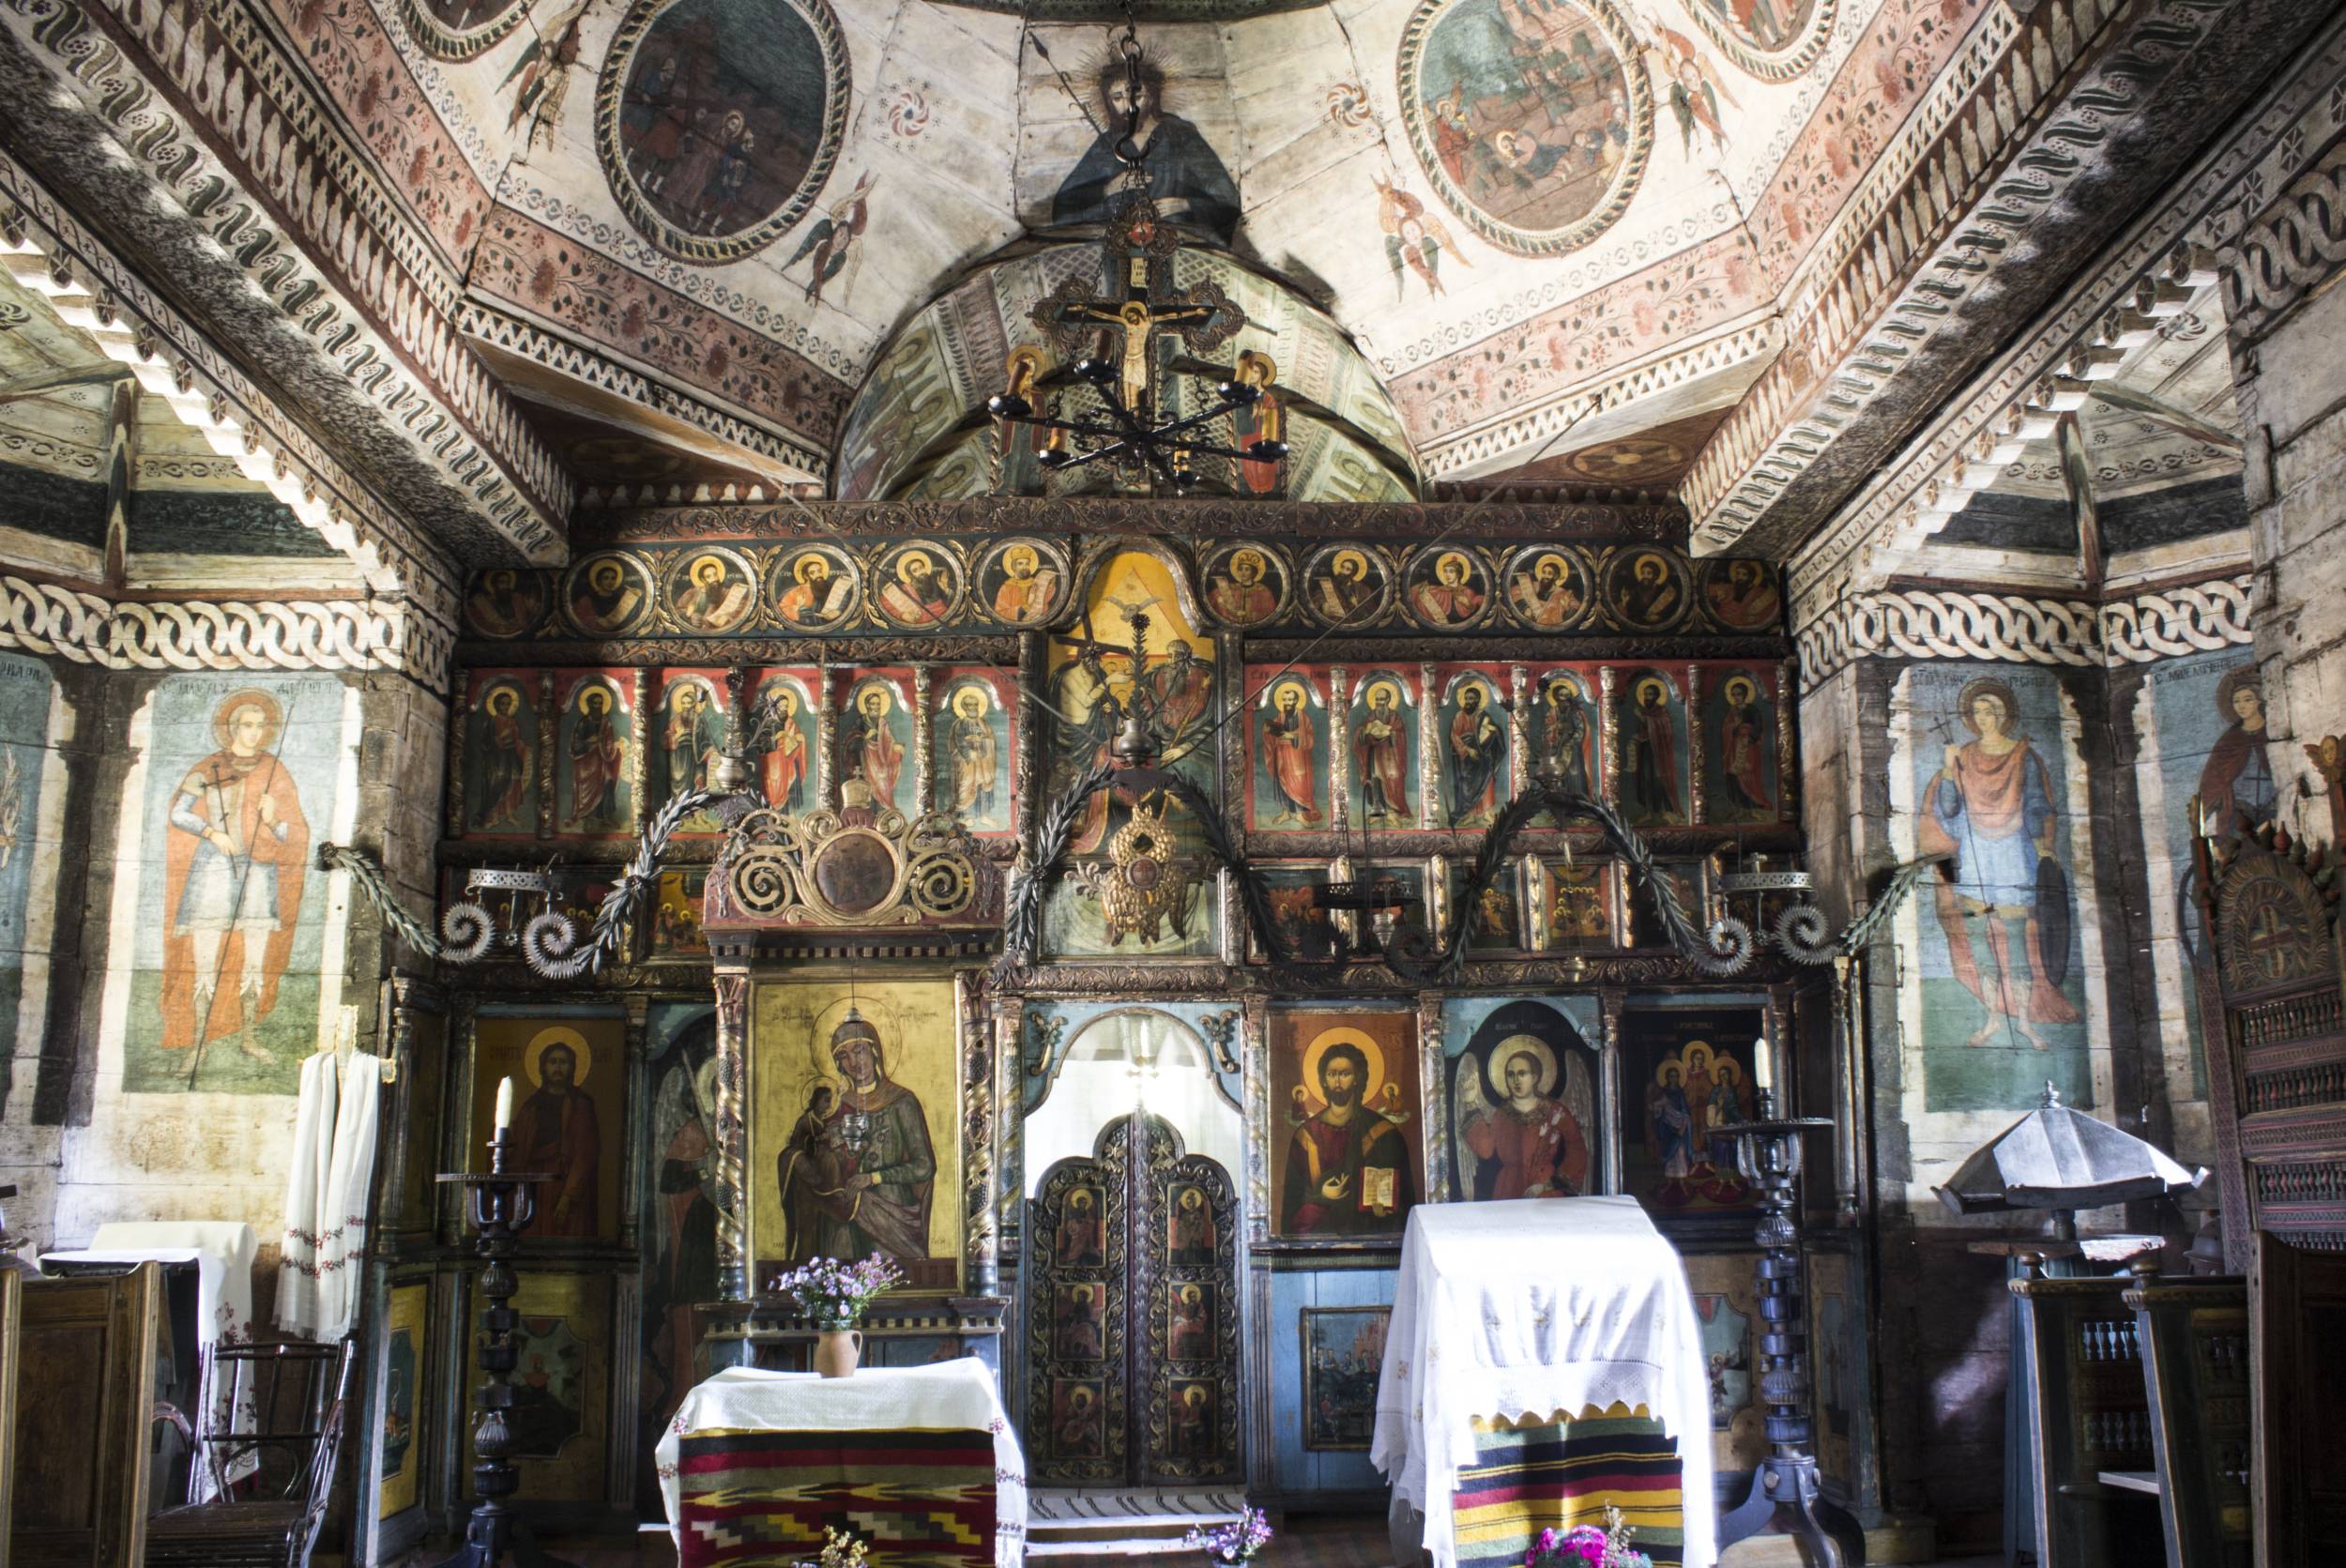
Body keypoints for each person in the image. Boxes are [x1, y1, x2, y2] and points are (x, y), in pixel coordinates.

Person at [1921, 679, 2079, 1049]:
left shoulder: (2023, 755)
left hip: (2013, 853)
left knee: (2019, 942)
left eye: (1989, 711)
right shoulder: (1964, 756)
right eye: (1977, 712)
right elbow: (1949, 810)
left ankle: (2023, 1022)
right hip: (1977, 852)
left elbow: (2037, 803)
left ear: (2003, 715)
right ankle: (1993, 1018)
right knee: (1983, 941)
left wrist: (2042, 845)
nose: (1982, 718)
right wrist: (1948, 771)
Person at [162, 692, 311, 1065]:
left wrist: (273, 819)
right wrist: (212, 833)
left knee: (254, 959)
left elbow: (294, 833)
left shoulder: (274, 771)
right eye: (247, 725)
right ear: (232, 728)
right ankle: (198, 1044)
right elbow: (178, 813)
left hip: (258, 868)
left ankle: (249, 1037)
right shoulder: (208, 768)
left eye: (261, 726)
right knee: (205, 959)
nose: (254, 733)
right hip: (214, 867)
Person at [775, 1011, 936, 1264]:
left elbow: (924, 1166)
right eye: (843, 1056)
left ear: (874, 1051)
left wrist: (873, 1177)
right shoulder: (836, 1106)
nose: (853, 1062)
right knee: (837, 1270)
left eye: (859, 1050)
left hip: (888, 1217)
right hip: (841, 1213)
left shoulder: (902, 1101)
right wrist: (809, 1156)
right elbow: (820, 1160)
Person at [1050, 53, 1241, 244]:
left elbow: (1228, 200)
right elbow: (1063, 209)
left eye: (1137, 96)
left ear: (1152, 97)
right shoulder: (1107, 144)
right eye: (1117, 98)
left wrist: (1185, 204)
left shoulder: (1181, 137)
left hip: (1178, 243)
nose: (1129, 106)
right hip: (1120, 247)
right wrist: (1107, 190)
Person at [1282, 1042, 1415, 1234]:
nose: (1337, 1082)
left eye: (1345, 1074)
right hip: (1319, 1241)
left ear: (1356, 1079)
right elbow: (1291, 1214)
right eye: (1331, 1074)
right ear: (1324, 1080)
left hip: (1368, 1240)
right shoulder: (1305, 1137)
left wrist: (1385, 1213)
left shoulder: (1383, 1133)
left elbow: (1403, 1206)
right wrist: (1321, 1196)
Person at [516, 1036, 602, 1238]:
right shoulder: (531, 1105)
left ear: (571, 1068)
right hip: (535, 1183)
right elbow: (518, 1147)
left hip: (565, 1179)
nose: (557, 1067)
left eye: (563, 1062)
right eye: (552, 1062)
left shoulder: (580, 1104)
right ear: (543, 1067)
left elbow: (585, 1154)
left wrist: (568, 1194)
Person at [1486, 1042, 1589, 1197]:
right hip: (1508, 1186)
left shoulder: (1555, 1111)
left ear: (1535, 1077)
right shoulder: (1501, 1114)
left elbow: (1577, 1148)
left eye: (1522, 1073)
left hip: (1544, 1186)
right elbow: (1486, 1150)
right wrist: (1470, 1105)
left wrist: (1548, 1184)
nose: (1516, 1080)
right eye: (1511, 1075)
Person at [2199, 669, 2277, 832]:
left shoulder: (2273, 730)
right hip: (2239, 811)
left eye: (2248, 699)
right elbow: (2212, 780)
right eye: (2236, 701)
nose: (2241, 706)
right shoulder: (2229, 739)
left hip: (2274, 807)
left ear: (2259, 701)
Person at [566, 684, 627, 831]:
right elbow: (575, 745)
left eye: (600, 703)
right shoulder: (583, 723)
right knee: (587, 791)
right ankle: (588, 818)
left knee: (608, 783)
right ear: (589, 705)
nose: (598, 706)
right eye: (595, 703)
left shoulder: (606, 723)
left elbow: (609, 741)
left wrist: (614, 746)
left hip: (602, 760)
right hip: (586, 764)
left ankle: (606, 817)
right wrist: (589, 742)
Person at [473, 686, 533, 830]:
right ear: (496, 705)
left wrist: (523, 747)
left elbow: (517, 740)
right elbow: (487, 743)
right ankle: (493, 817)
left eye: (508, 704)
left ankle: (510, 815)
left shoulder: (512, 722)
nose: (505, 707)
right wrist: (500, 737)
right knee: (497, 784)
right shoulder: (492, 722)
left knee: (513, 782)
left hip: (511, 757)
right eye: (503, 704)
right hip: (496, 760)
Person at [1447, 682, 1506, 829]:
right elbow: (1454, 736)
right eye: (1466, 698)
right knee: (1467, 785)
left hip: (1482, 755)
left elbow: (1494, 733)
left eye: (1471, 698)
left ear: (1478, 700)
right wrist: (1468, 750)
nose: (1468, 701)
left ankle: (1487, 812)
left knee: (1487, 779)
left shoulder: (1483, 715)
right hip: (1465, 757)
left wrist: (1492, 729)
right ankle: (1471, 814)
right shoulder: (1459, 716)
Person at [1260, 682, 1318, 826]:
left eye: (1290, 700)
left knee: (1299, 785)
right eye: (1285, 700)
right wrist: (1267, 731)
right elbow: (1272, 734)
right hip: (1281, 757)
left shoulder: (1304, 718)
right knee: (1282, 784)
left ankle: (1300, 815)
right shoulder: (1280, 717)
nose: (1287, 703)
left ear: (1296, 701)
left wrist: (1292, 736)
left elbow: (1310, 739)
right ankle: (1285, 813)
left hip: (1298, 758)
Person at [1354, 681, 1412, 826]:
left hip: (1392, 756)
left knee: (1393, 779)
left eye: (1382, 699)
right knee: (1376, 780)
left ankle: (1393, 812)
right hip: (1375, 755)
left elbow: (1400, 735)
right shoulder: (1371, 716)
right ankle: (1378, 811)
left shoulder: (1395, 717)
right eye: (1377, 699)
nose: (1379, 703)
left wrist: (1390, 733)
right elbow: (1363, 735)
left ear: (1388, 700)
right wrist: (1365, 732)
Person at [1624, 677, 1682, 822]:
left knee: (1659, 780)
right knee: (1645, 780)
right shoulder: (1645, 711)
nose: (1647, 697)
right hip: (1645, 752)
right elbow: (1644, 731)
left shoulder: (1661, 711)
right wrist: (1637, 737)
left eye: (1650, 694)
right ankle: (1649, 811)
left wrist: (1643, 717)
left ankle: (1665, 812)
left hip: (1659, 754)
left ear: (1656, 696)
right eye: (1646, 694)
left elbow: (1662, 729)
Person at [1717, 676, 1772, 820]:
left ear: (1745, 694)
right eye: (1734, 694)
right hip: (1733, 747)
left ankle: (1751, 808)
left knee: (1747, 775)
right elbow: (1727, 729)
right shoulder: (1732, 711)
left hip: (1748, 747)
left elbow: (1758, 726)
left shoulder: (1752, 710)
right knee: (1732, 776)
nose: (1736, 697)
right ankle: (1739, 808)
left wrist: (1750, 737)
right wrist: (1732, 727)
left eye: (1739, 694)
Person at [843, 688, 904, 807]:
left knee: (884, 786)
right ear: (867, 705)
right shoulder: (860, 722)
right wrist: (865, 737)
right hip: (865, 763)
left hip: (881, 763)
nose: (876, 707)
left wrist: (896, 750)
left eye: (878, 704)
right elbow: (850, 744)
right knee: (868, 792)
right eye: (873, 704)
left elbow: (888, 743)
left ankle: (884, 811)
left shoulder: (883, 723)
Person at [947, 687, 998, 823]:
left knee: (983, 785)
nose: (973, 707)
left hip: (982, 762)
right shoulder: (959, 724)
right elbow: (957, 743)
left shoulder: (983, 724)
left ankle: (984, 815)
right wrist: (969, 752)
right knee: (967, 786)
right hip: (966, 763)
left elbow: (990, 739)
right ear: (964, 707)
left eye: (975, 704)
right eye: (970, 705)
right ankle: (966, 816)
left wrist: (982, 742)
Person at [663, 681, 721, 799]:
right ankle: (676, 805)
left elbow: (706, 738)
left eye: (688, 703)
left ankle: (692, 805)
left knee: (694, 783)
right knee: (677, 781)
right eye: (683, 703)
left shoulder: (698, 719)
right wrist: (677, 735)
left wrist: (710, 750)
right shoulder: (675, 720)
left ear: (694, 703)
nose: (686, 706)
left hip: (693, 756)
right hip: (677, 757)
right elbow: (666, 739)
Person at [761, 687, 807, 812]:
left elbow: (797, 740)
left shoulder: (791, 722)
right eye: (782, 706)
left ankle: (788, 814)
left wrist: (798, 739)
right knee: (772, 791)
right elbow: (762, 745)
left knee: (789, 787)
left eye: (787, 706)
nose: (785, 709)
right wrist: (777, 738)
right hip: (773, 764)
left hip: (789, 762)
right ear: (775, 707)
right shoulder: (768, 723)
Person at [676, 554, 750, 632]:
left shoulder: (726, 592)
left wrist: (728, 616)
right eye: (708, 577)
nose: (714, 579)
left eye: (715, 574)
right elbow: (678, 611)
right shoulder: (692, 593)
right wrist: (689, 616)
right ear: (703, 580)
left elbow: (742, 606)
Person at [1540, 679, 1590, 794]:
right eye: (1562, 695)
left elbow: (1580, 729)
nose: (1565, 699)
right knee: (1557, 775)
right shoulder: (1552, 712)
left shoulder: (1575, 712)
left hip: (1572, 749)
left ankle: (1577, 797)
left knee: (1573, 774)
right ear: (1556, 698)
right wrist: (1555, 728)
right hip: (1556, 748)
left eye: (1567, 695)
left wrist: (1571, 742)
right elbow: (1546, 730)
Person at [569, 556, 643, 633]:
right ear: (599, 580)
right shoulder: (587, 600)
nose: (610, 582)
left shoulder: (620, 599)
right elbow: (582, 620)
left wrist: (633, 596)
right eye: (606, 578)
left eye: (613, 578)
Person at [879, 549, 953, 624]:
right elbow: (884, 603)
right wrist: (902, 615)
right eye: (915, 571)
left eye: (921, 568)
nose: (920, 572)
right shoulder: (905, 589)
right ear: (910, 575)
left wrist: (946, 590)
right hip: (922, 620)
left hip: (942, 617)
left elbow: (948, 602)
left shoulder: (935, 581)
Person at [1511, 553, 1582, 629]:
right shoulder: (1533, 585)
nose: (1545, 576)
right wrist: (1526, 608)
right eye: (1544, 572)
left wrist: (1566, 607)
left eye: (1549, 573)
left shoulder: (1563, 593)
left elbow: (1576, 609)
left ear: (1556, 576)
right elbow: (1514, 594)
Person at [990, 545, 1059, 624]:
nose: (1025, 567)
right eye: (1020, 564)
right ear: (1014, 566)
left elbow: (1045, 601)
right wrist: (1023, 608)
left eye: (1027, 564)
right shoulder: (1006, 587)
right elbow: (1000, 612)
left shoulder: (1035, 583)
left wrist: (1050, 585)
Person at [1411, 552, 1484, 625]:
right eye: (1445, 571)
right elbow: (1419, 595)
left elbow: (1476, 610)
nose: (1447, 574)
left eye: (1451, 571)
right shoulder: (1438, 591)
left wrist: (1467, 604)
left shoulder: (1468, 592)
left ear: (1458, 573)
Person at [1209, 549, 1279, 624]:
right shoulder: (1232, 588)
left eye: (1247, 569)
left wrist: (1247, 614)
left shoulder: (1263, 591)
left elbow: (1269, 612)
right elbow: (1214, 598)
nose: (1243, 572)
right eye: (1240, 569)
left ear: (1253, 572)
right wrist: (1221, 602)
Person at [778, 553, 847, 627]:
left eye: (819, 571)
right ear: (806, 576)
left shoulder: (830, 587)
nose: (818, 575)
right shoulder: (797, 591)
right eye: (812, 573)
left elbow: (845, 600)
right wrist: (797, 607)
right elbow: (781, 611)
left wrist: (838, 611)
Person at [1058, 1187, 1104, 1268]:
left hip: (1087, 1234)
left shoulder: (1088, 1213)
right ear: (1078, 1204)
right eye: (1081, 1203)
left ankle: (1087, 1256)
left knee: (1089, 1245)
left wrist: (1087, 1222)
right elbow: (1070, 1224)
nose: (1083, 1205)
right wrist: (1077, 1223)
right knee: (1075, 1247)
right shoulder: (1074, 1213)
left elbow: (1092, 1222)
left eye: (1084, 1203)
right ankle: (1073, 1258)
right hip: (1077, 1235)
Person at [1170, 1184, 1214, 1263]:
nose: (1189, 1204)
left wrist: (1196, 1233)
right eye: (1188, 1203)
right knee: (1185, 1257)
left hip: (1195, 1241)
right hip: (1186, 1240)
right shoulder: (1184, 1216)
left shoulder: (1199, 1215)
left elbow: (1202, 1227)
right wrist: (1185, 1229)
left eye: (1191, 1202)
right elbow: (1181, 1226)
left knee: (1195, 1256)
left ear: (1194, 1203)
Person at [1057, 1286, 1104, 1361]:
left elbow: (1087, 1315)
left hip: (1083, 1319)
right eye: (1079, 1296)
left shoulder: (1085, 1305)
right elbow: (1073, 1311)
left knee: (1095, 1325)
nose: (1079, 1297)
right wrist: (1072, 1314)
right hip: (1076, 1318)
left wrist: (1078, 1315)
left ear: (1084, 1297)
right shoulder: (1076, 1304)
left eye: (1081, 1296)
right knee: (1065, 1320)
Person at [1169, 1285, 1211, 1359]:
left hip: (1197, 1324)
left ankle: (1178, 1343)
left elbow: (1203, 1315)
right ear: (1188, 1298)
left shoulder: (1199, 1305)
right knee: (1177, 1325)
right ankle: (1176, 1343)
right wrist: (1182, 1318)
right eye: (1191, 1297)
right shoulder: (1186, 1306)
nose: (1193, 1298)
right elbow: (1183, 1314)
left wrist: (1195, 1319)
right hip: (1188, 1323)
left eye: (1194, 1297)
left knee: (1180, 1326)